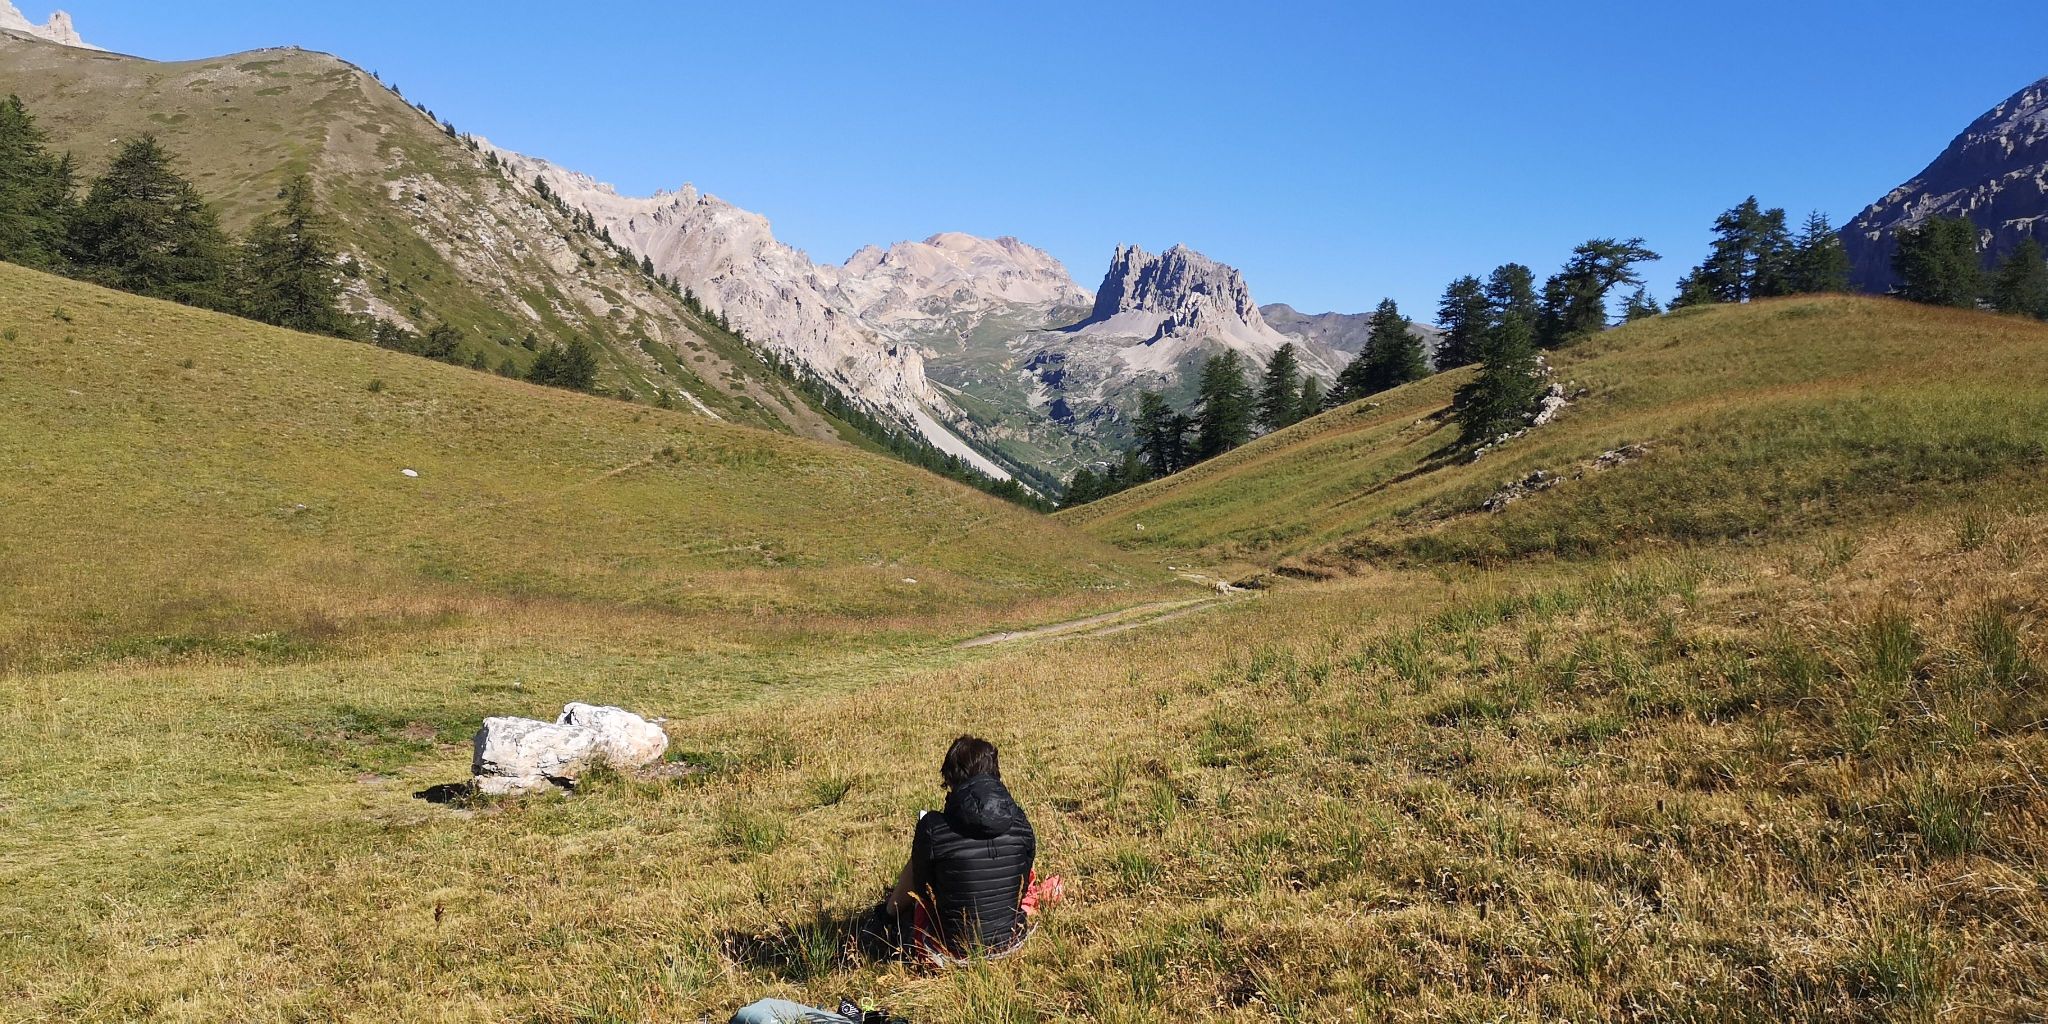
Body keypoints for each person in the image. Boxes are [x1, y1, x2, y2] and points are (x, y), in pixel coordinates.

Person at [876, 735, 1036, 962]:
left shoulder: (933, 827)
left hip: (950, 951)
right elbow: (1023, 883)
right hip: (1011, 942)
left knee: (917, 871)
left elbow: (923, 891)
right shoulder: (1019, 820)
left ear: (950, 779)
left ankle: (886, 916)